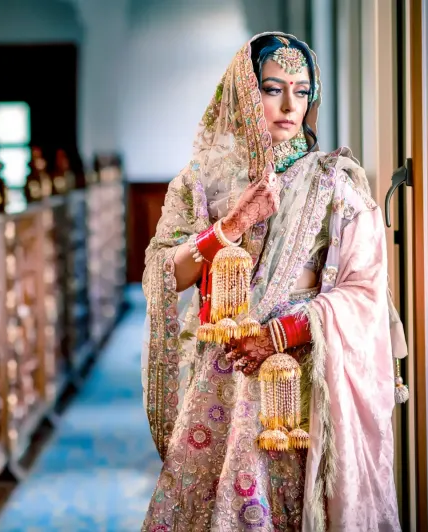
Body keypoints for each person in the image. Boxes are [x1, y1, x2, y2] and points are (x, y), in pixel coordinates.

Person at [140, 32, 405, 531]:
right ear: (245, 90)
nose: (289, 105)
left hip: (302, 375)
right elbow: (161, 276)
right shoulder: (202, 181)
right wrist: (230, 227)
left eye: (302, 91)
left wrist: (283, 334)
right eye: (273, 88)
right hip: (224, 376)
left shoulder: (335, 184)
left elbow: (365, 291)